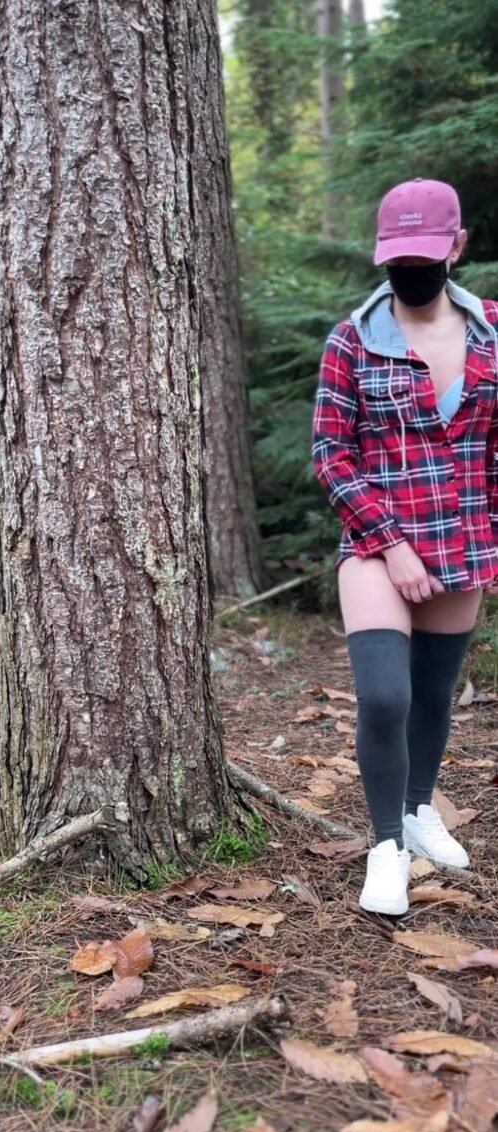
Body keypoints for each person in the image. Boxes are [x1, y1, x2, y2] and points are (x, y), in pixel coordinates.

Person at [312, 177, 498, 916]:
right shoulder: (352, 341)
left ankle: (419, 808)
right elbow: (332, 454)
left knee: (433, 693)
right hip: (376, 543)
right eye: (398, 261)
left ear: (457, 246)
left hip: (465, 540)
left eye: (425, 258)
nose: (411, 273)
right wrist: (390, 544)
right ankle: (386, 846)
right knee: (387, 696)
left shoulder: (492, 333)